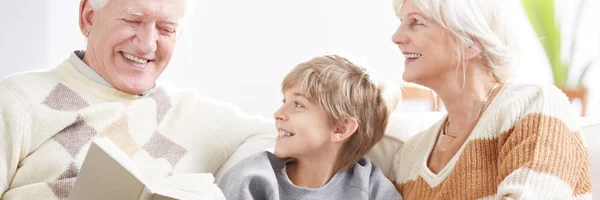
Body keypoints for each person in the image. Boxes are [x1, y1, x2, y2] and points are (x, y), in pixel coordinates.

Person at [0, 0, 274, 199]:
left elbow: (302, 136)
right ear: (88, 17)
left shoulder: (199, 119)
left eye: (165, 29)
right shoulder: (18, 99)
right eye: (132, 21)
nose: (147, 44)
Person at [389, 0, 593, 199]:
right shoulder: (408, 156)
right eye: (401, 22)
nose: (396, 37)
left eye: (416, 22)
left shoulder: (535, 107)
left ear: (470, 40)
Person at [218, 54, 403, 200]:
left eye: (298, 104)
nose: (278, 113)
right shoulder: (252, 179)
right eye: (284, 100)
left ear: (341, 128)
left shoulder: (371, 187)